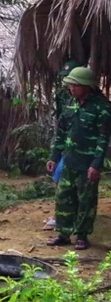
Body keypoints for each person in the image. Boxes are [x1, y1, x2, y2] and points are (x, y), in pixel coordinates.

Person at [46, 66, 111, 251]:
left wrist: (96, 165)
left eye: (75, 85)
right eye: (70, 85)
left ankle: (82, 236)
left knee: (86, 200)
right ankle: (63, 234)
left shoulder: (102, 108)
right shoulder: (70, 104)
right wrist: (54, 157)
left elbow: (103, 139)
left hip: (88, 164)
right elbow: (61, 133)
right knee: (64, 197)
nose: (71, 88)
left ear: (87, 86)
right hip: (69, 161)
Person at [43, 59, 81, 230]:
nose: (68, 84)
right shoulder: (63, 95)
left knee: (75, 186)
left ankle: (71, 219)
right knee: (59, 178)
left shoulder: (90, 100)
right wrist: (55, 154)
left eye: (70, 79)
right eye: (66, 79)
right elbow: (61, 124)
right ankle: (62, 216)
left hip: (80, 151)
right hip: (65, 146)